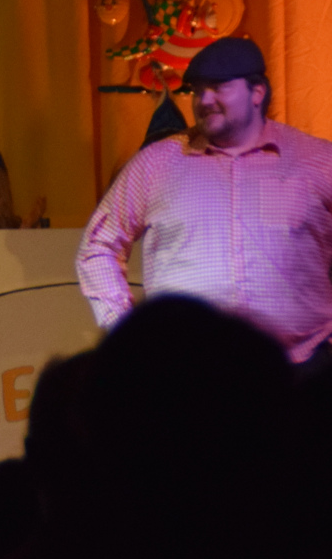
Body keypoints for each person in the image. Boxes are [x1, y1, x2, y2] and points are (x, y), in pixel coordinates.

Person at [77, 36, 332, 366]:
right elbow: (99, 246)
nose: (205, 100)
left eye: (219, 87)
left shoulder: (315, 160)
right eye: (198, 90)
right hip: (186, 370)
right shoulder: (157, 165)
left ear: (257, 92)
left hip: (299, 368)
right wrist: (127, 334)